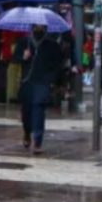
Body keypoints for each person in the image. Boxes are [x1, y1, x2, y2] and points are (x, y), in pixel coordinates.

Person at [14, 23, 63, 155]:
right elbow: (14, 58)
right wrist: (23, 57)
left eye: (42, 27)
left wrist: (52, 80)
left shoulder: (52, 45)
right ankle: (26, 132)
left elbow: (58, 64)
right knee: (27, 111)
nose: (39, 29)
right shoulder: (24, 42)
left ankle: (37, 140)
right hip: (27, 82)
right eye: (36, 27)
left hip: (43, 82)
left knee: (39, 109)